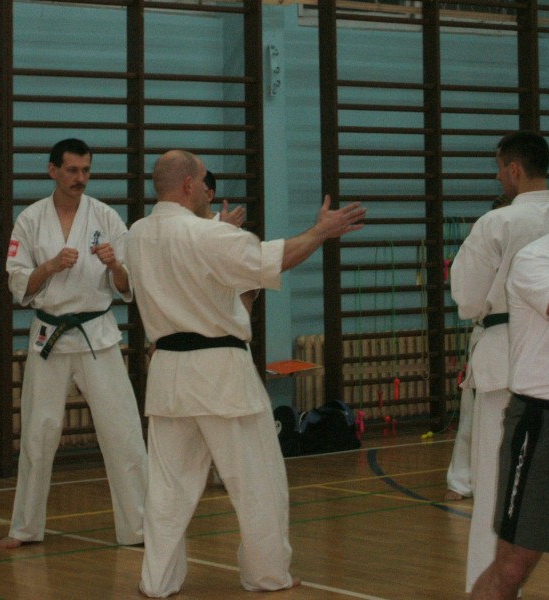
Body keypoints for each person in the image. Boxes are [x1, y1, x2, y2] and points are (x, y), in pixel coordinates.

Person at [126, 149, 366, 597]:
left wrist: (222, 236)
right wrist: (320, 231)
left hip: (169, 375)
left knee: (167, 490)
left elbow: (204, 274)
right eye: (203, 181)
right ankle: (266, 574)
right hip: (220, 374)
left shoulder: (136, 235)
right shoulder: (208, 235)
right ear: (188, 185)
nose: (207, 189)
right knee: (258, 481)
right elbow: (276, 258)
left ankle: (156, 581)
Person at [0, 138, 147, 549]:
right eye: (72, 170)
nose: (80, 178)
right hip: (49, 337)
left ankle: (138, 528)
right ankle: (26, 528)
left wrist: (114, 265)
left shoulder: (105, 216)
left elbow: (127, 285)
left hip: (97, 335)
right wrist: (49, 266)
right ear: (53, 171)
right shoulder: (30, 220)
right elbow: (17, 283)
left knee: (122, 432)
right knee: (38, 434)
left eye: (85, 170)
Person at [449, 131, 549, 592]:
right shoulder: (539, 254)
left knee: (496, 497)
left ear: (513, 168)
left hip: (505, 351)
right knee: (512, 552)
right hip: (543, 404)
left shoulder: (498, 222)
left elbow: (467, 298)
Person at [445, 195, 510, 503]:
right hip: (490, 331)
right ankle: (461, 480)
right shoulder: (483, 242)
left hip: (527, 334)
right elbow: (469, 298)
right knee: (473, 413)